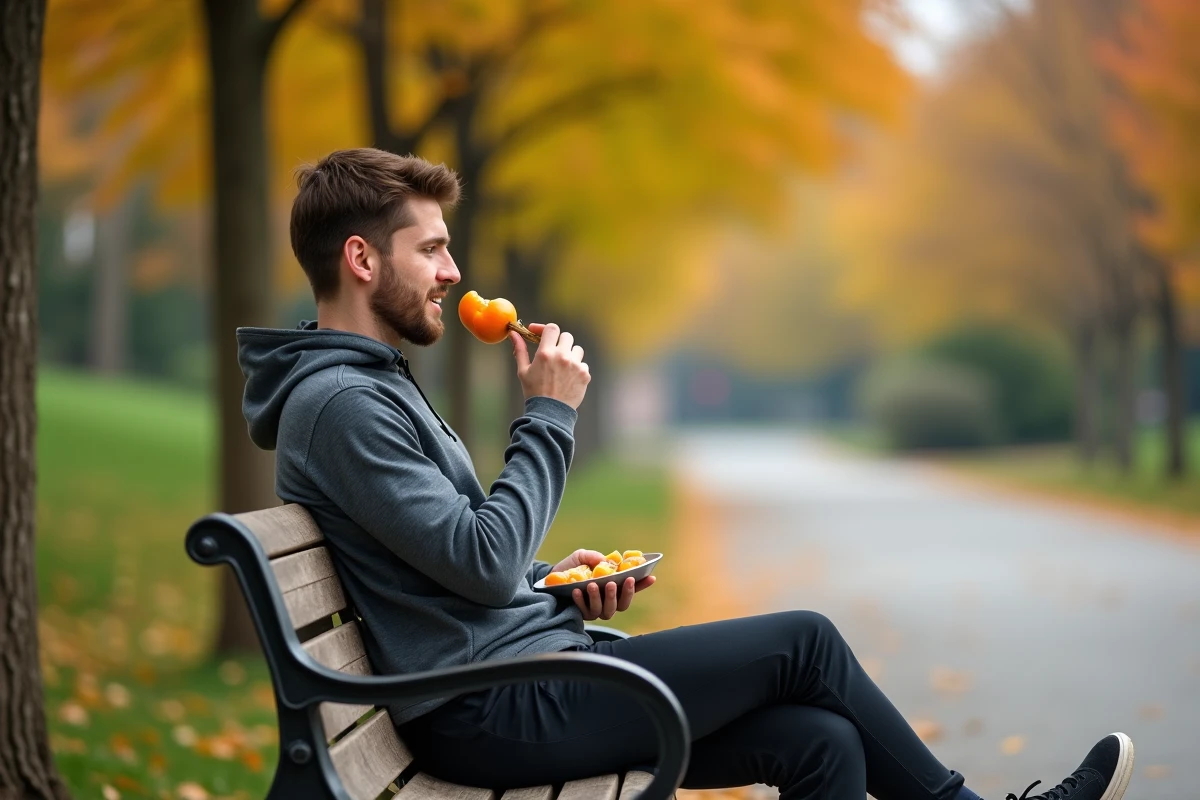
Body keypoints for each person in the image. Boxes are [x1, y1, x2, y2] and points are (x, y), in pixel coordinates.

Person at [237, 148, 1135, 800]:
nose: (453, 269)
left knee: (820, 742)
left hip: (521, 676)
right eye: (431, 248)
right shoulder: (344, 404)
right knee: (806, 642)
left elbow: (452, 564)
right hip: (491, 710)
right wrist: (549, 415)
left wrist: (547, 585)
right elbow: (477, 560)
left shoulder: (368, 387)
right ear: (362, 259)